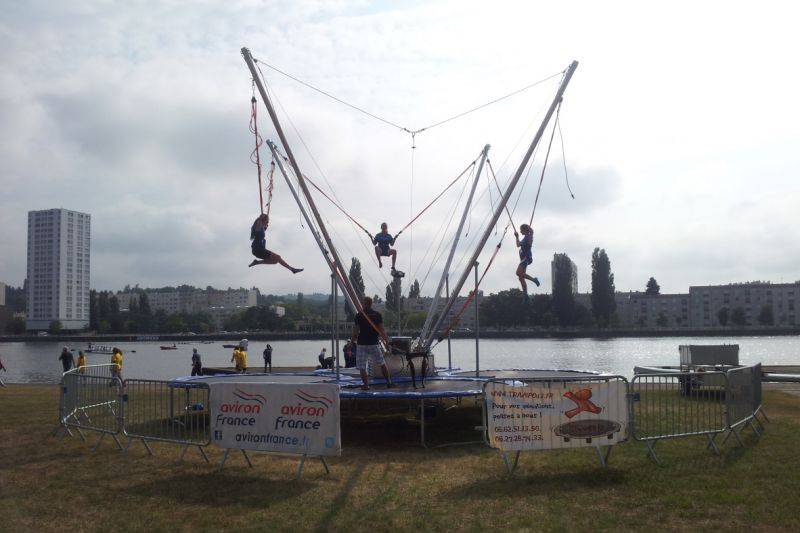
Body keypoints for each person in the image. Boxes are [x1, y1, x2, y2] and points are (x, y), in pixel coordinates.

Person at [351, 296, 393, 390]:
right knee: (382, 363)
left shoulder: (359, 315)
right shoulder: (377, 315)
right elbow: (382, 330)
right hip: (374, 343)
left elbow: (356, 331)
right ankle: (388, 382)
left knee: (362, 366)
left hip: (362, 344)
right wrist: (387, 341)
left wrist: (352, 342)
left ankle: (366, 385)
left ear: (364, 303)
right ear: (371, 304)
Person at [514, 223, 540, 300]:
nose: (520, 231)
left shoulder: (528, 237)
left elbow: (531, 233)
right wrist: (517, 237)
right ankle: (525, 295)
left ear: (524, 230)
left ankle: (534, 279)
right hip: (523, 259)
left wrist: (529, 229)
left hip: (526, 258)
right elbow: (518, 245)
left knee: (518, 273)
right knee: (521, 277)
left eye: (521, 230)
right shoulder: (525, 237)